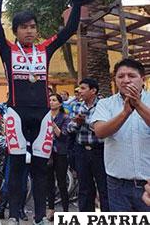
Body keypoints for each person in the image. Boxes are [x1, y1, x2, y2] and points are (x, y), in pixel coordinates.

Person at [0, 0, 83, 224]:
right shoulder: (8, 49)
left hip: (42, 116)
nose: (29, 31)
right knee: (18, 167)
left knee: (41, 169)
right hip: (16, 114)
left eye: (33, 27)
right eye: (24, 27)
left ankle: (41, 216)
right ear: (16, 30)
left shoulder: (45, 49)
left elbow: (70, 29)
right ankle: (14, 214)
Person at [91, 58, 150, 212]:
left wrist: (138, 105)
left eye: (131, 76)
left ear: (142, 79)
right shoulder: (106, 104)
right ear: (115, 80)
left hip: (148, 185)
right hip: (117, 185)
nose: (126, 80)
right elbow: (100, 132)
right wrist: (125, 113)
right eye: (121, 76)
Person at [67, 78, 109, 212]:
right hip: (81, 151)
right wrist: (77, 123)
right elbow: (69, 129)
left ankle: (107, 217)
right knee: (84, 188)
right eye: (79, 88)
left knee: (104, 188)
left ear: (93, 90)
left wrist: (86, 122)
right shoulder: (76, 106)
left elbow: (104, 128)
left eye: (83, 88)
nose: (80, 91)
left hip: (100, 151)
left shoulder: (103, 105)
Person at [46, 94, 70, 221]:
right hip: (47, 152)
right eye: (50, 100)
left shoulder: (65, 117)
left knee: (61, 182)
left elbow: (63, 135)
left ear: (60, 103)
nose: (51, 102)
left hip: (60, 152)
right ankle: (51, 209)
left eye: (54, 100)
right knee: (49, 182)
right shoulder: (45, 116)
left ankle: (65, 211)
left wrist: (53, 124)